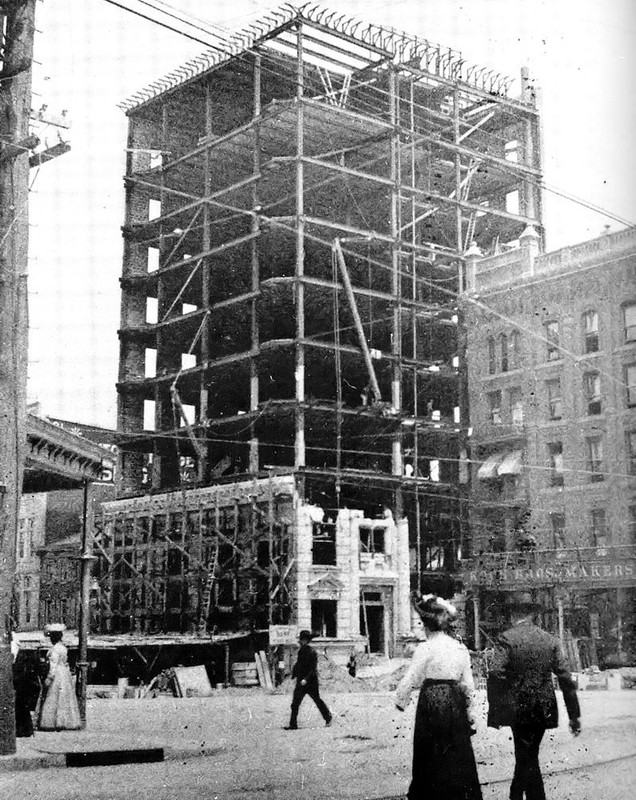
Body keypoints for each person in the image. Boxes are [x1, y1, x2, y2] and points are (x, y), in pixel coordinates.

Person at [487, 604, 581, 800]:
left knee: (525, 756)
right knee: (529, 755)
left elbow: (496, 672)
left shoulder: (507, 638)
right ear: (533, 616)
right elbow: (565, 677)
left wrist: (496, 709)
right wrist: (574, 715)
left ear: (515, 614)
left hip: (517, 707)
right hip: (543, 707)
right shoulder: (550, 640)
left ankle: (517, 796)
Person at [395, 594, 482, 800]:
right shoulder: (460, 648)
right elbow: (468, 685)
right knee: (456, 751)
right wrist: (472, 714)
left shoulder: (425, 648)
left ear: (426, 626)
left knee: (429, 752)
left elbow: (412, 677)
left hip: (431, 700)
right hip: (455, 699)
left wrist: (401, 700)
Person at [37, 623, 81, 731]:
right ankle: (66, 721)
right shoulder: (63, 648)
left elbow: (53, 665)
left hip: (57, 674)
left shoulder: (54, 650)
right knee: (64, 697)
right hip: (64, 673)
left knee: (53, 696)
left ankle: (52, 722)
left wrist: (49, 678)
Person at [285, 630, 332, 730]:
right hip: (301, 682)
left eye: (302, 640)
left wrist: (305, 679)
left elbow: (313, 669)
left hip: (310, 682)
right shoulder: (301, 651)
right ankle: (293, 725)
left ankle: (328, 717)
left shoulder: (311, 652)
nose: (300, 642)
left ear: (306, 640)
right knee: (295, 704)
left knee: (317, 700)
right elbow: (298, 665)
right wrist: (293, 675)